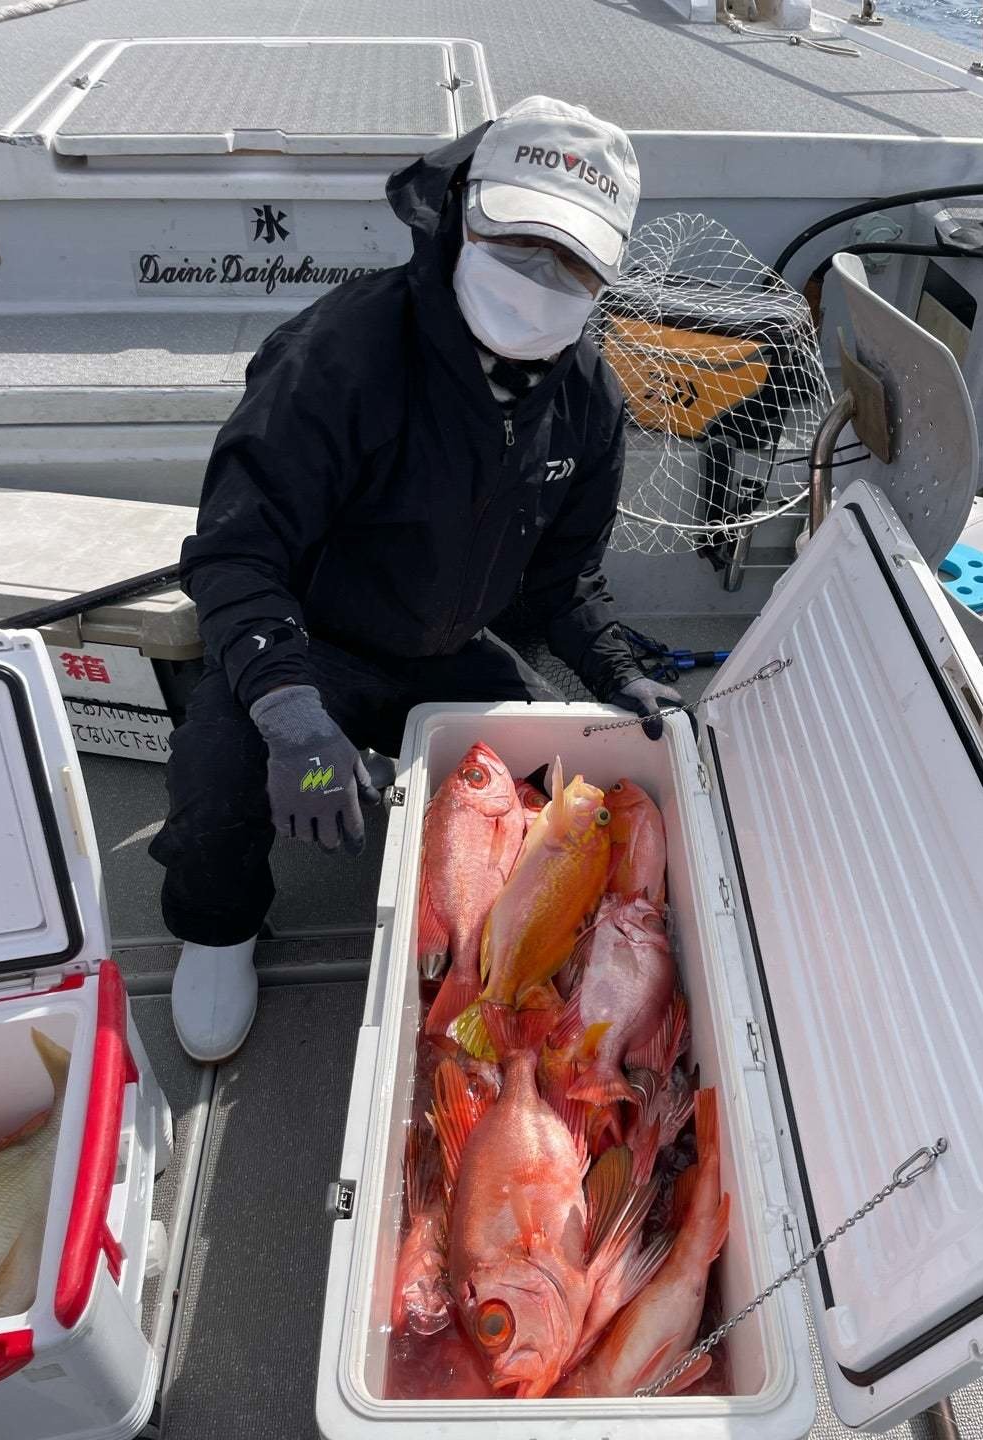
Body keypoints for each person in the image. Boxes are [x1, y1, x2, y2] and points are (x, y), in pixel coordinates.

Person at [150, 95, 680, 1063]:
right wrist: (290, 714)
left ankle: (509, 964)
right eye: (517, 240)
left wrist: (617, 670)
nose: (540, 279)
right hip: (315, 643)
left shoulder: (590, 399)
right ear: (461, 212)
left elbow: (562, 583)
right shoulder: (340, 354)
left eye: (572, 261)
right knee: (215, 776)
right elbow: (236, 551)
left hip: (454, 648)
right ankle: (218, 929)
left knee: (566, 795)